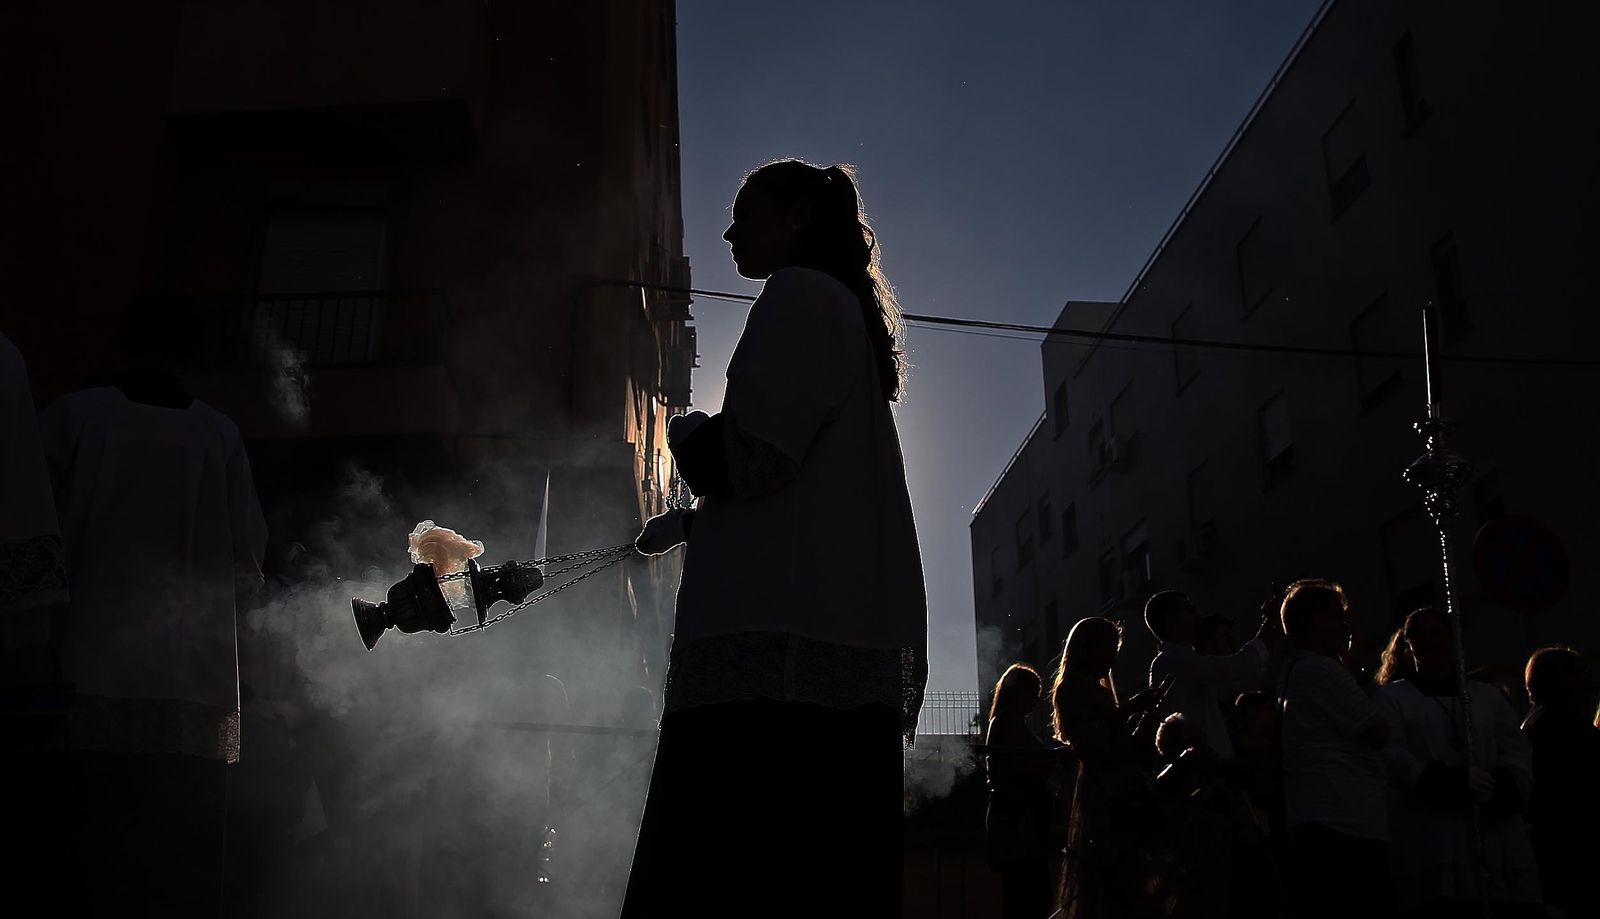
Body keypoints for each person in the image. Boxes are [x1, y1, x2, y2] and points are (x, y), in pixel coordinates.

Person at [624, 161, 926, 917]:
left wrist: (681, 429)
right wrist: (694, 523)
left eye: (745, 214)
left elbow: (755, 455)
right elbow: (803, 494)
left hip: (774, 667)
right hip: (817, 648)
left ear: (795, 218)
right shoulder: (834, 310)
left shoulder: (798, 296)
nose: (729, 232)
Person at [37, 289, 268, 916]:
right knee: (170, 863)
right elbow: (247, 558)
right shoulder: (216, 434)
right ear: (187, 354)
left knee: (82, 856)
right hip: (188, 683)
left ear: (124, 342)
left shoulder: (74, 418)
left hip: (79, 666)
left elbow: (33, 533)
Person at [1375, 607, 1541, 917]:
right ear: (1408, 643)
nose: (1430, 642)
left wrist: (1502, 782)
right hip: (1436, 835)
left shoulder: (1487, 697)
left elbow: (1516, 750)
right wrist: (1445, 781)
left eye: (1437, 633)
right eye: (1419, 635)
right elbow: (1391, 755)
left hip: (1496, 830)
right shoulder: (1392, 699)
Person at [1275, 579, 1393, 919]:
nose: (1346, 625)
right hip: (1343, 821)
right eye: (1337, 616)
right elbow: (1379, 732)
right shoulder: (1320, 669)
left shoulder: (1295, 670)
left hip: (1322, 819)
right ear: (1314, 621)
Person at [1050, 616, 1163, 919]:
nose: (1112, 658)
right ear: (1087, 650)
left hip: (1121, 790)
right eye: (1107, 649)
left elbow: (1122, 746)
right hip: (1104, 795)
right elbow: (1096, 743)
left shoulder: (1096, 691)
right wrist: (1128, 710)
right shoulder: (1073, 689)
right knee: (1113, 882)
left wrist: (1148, 718)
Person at [1147, 589, 1280, 760]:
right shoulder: (1173, 660)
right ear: (1170, 619)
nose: (1199, 615)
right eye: (1190, 610)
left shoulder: (1180, 660)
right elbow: (1238, 666)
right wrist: (1269, 623)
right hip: (1199, 770)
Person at [1521, 647, 1600, 918]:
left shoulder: (1537, 720)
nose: (1589, 682)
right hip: (1570, 842)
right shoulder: (1561, 723)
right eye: (1582, 674)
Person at [983, 663, 1055, 919]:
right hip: (1020, 823)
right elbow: (1024, 766)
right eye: (1032, 691)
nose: (1036, 698)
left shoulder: (1004, 722)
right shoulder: (1009, 723)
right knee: (1028, 894)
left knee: (1021, 894)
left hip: (1017, 822)